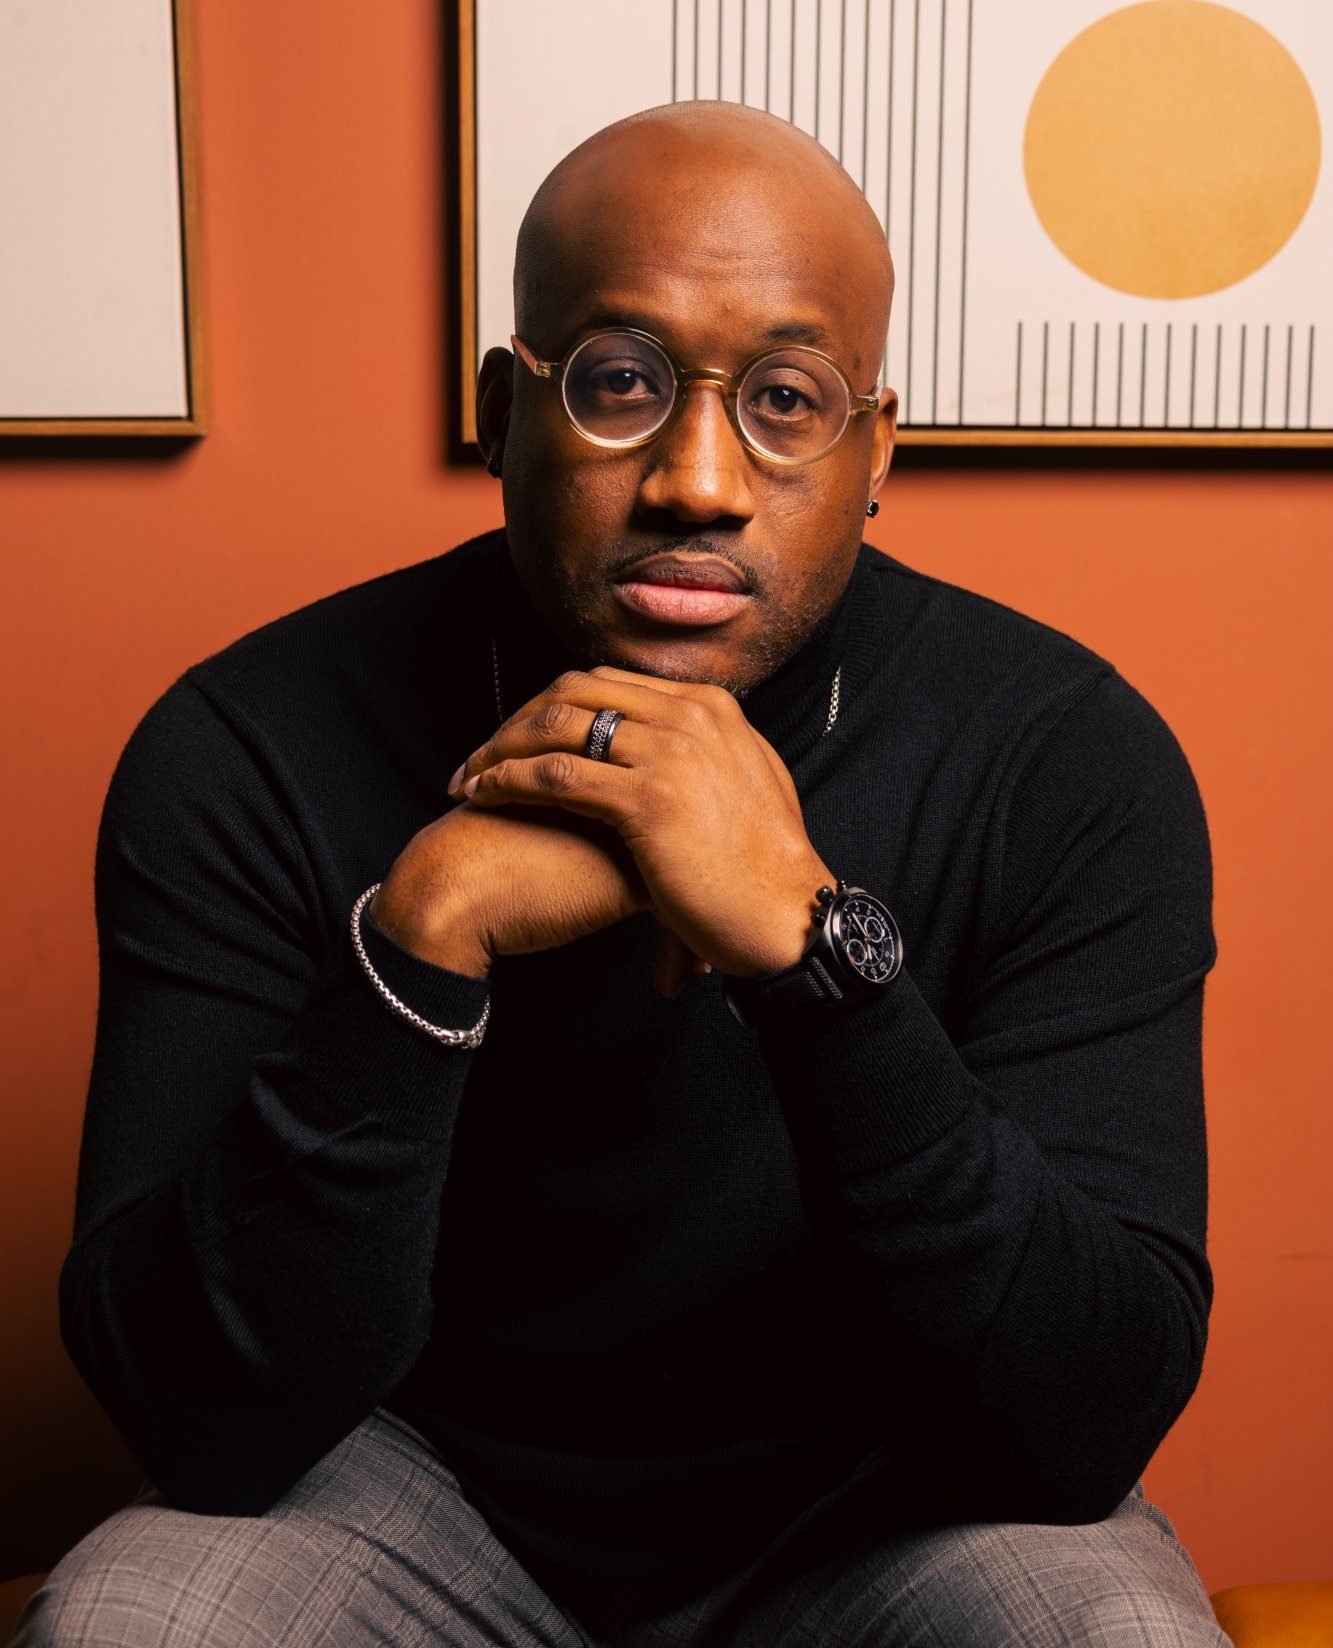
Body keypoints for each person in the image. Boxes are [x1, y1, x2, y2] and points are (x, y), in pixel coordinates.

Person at [21, 103, 1227, 1647]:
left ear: (876, 454)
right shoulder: (247, 741)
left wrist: (810, 949)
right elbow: (201, 1418)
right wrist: (419, 943)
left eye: (788, 401)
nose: (698, 482)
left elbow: (1077, 1425)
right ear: (496, 413)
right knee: (141, 1623)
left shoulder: (1061, 755)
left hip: (875, 1501)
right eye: (618, 384)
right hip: (408, 1490)